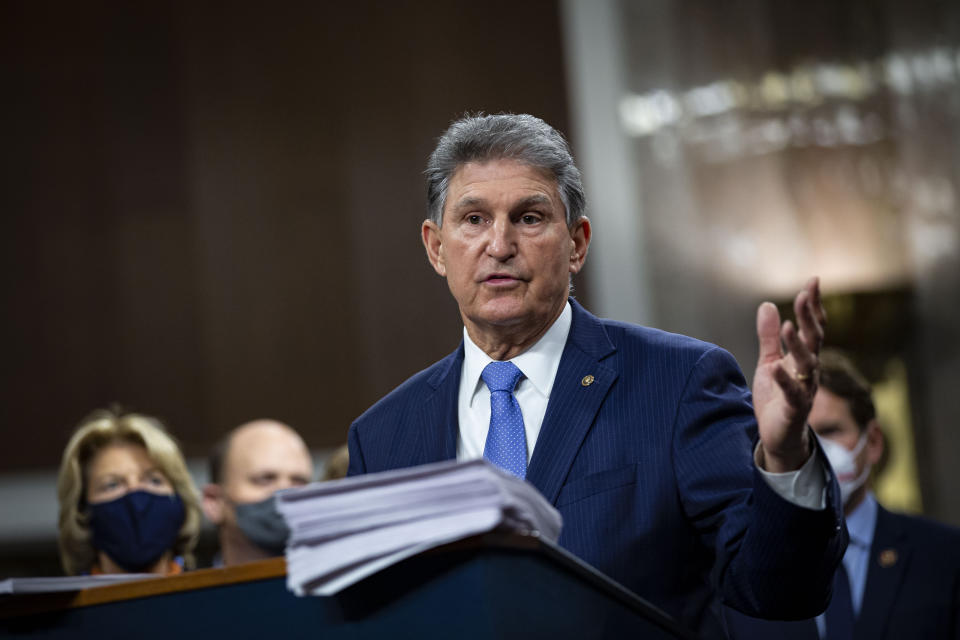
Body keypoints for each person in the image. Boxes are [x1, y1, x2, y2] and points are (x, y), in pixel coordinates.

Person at [346, 113, 847, 638]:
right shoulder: (382, 438)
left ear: (578, 243)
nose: (499, 245)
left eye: (529, 217)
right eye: (473, 219)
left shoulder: (678, 383)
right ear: (436, 248)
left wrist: (786, 456)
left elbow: (779, 590)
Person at [726, 349, 960, 639]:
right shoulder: (743, 575)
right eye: (798, 433)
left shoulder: (945, 557)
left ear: (872, 441)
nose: (815, 450)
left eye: (831, 430)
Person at [57, 408, 202, 576]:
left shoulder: (212, 599)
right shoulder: (60, 603)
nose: (136, 496)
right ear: (82, 510)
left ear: (180, 501)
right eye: (112, 485)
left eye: (154, 480)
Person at [202, 419, 313, 566]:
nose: (286, 491)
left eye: (299, 482)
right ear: (214, 502)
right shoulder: (183, 588)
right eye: (265, 479)